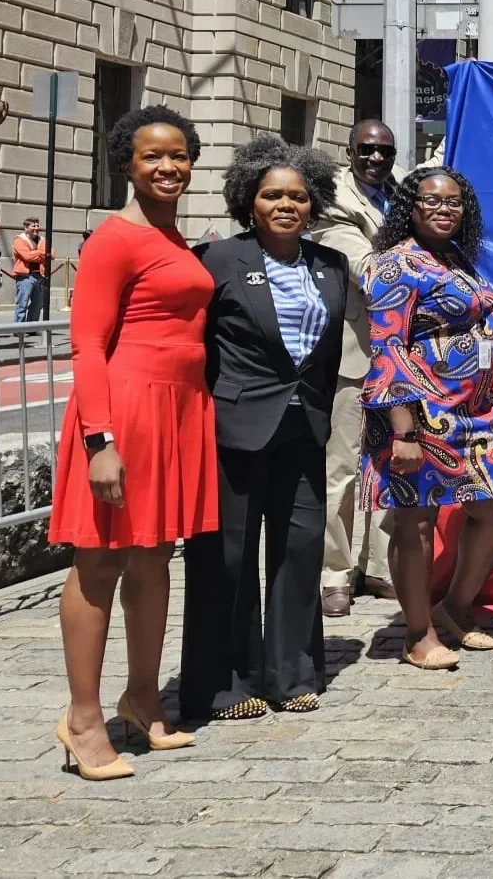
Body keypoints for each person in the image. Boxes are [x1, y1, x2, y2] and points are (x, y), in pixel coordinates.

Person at [48, 106, 215, 780]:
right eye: (152, 156)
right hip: (124, 411)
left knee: (154, 556)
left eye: (179, 155)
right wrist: (100, 440)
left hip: (177, 410)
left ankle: (142, 698)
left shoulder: (172, 237)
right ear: (126, 163)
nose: (168, 167)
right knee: (99, 562)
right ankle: (83, 718)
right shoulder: (113, 238)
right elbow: (87, 344)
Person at [179, 137, 349, 721]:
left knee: (300, 548)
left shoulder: (330, 265)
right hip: (235, 427)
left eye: (298, 196)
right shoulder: (218, 259)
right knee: (228, 556)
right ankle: (224, 683)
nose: (286, 205)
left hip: (304, 426)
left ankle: (292, 672)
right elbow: (199, 345)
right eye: (272, 195)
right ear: (248, 201)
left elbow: (327, 353)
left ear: (313, 202)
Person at [363, 166, 493, 669]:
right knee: (415, 521)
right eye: (431, 200)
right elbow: (388, 347)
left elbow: (478, 323)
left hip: (474, 411)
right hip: (417, 413)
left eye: (453, 202)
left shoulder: (456, 258)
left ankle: (453, 607)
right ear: (410, 207)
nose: (444, 209)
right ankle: (417, 633)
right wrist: (404, 431)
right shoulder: (394, 264)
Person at [309, 119, 405, 617]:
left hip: (402, 354)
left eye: (385, 151)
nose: (376, 158)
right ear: (349, 150)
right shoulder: (333, 199)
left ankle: (380, 566)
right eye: (366, 149)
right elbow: (368, 270)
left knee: (393, 460)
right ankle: (335, 573)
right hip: (355, 351)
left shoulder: (403, 190)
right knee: (342, 468)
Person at [11, 217, 51, 322]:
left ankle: (32, 326)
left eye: (38, 225)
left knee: (38, 304)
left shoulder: (42, 240)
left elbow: (51, 254)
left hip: (40, 276)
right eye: (33, 226)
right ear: (26, 227)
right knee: (22, 304)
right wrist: (41, 253)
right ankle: (19, 327)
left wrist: (35, 253)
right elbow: (27, 256)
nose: (36, 228)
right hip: (25, 276)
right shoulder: (19, 240)